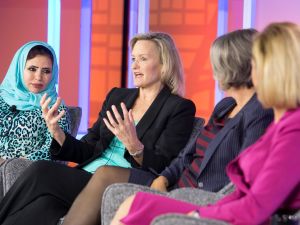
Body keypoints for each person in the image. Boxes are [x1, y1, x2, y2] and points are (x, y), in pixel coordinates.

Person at [60, 28, 274, 225]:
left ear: (240, 65)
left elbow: (246, 177)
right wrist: (165, 178)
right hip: (178, 182)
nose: (215, 71)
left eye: (219, 64)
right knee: (44, 176)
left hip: (203, 192)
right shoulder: (225, 106)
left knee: (125, 196)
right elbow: (186, 155)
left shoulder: (260, 111)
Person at [110, 22, 300, 225]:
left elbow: (255, 207)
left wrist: (201, 215)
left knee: (136, 204)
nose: (251, 76)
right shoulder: (281, 123)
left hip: (229, 207)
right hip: (216, 203)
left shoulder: (291, 130)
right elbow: (242, 191)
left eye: (255, 68)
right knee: (134, 204)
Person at [0, 32, 196, 225]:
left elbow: (166, 164)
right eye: (134, 58)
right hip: (88, 175)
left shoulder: (180, 107)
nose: (134, 66)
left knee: (41, 170)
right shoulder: (117, 96)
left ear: (164, 65)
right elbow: (89, 148)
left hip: (126, 178)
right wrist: (57, 133)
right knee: (41, 207)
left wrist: (135, 146)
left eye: (143, 59)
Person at [0, 41, 70, 162]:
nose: (38, 77)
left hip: (26, 173)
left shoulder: (55, 108)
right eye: (32, 69)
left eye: (46, 71)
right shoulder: (2, 98)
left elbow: (55, 154)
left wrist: (14, 164)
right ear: (19, 69)